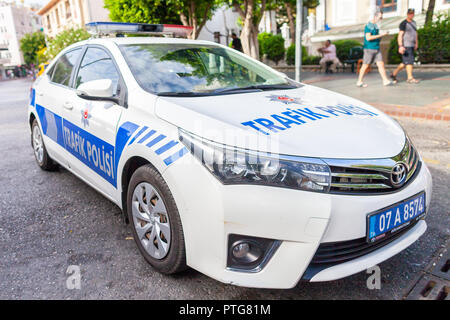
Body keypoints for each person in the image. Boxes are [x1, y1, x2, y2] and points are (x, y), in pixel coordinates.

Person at [356, 9, 392, 87]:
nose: (381, 19)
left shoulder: (376, 26)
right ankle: (359, 81)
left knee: (381, 64)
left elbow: (376, 37)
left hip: (376, 48)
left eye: (382, 17)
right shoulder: (369, 26)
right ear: (375, 16)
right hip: (369, 49)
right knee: (365, 65)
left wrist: (382, 35)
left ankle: (385, 80)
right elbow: (368, 38)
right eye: (380, 17)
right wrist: (381, 35)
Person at [390, 8, 419, 84]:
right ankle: (410, 78)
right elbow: (400, 35)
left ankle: (394, 74)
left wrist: (416, 43)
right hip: (406, 45)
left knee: (405, 62)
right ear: (407, 14)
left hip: (412, 45)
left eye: (412, 13)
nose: (411, 15)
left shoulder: (414, 23)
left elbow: (415, 33)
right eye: (410, 13)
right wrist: (400, 46)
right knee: (409, 62)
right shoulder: (403, 23)